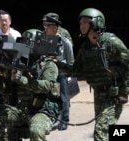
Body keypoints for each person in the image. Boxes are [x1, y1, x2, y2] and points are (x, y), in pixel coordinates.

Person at [55, 8, 129, 141]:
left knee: (101, 131)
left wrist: (124, 92)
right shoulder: (86, 48)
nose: (81, 26)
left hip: (114, 95)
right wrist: (57, 63)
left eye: (85, 22)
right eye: (80, 23)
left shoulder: (111, 42)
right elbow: (76, 70)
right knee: (103, 131)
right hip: (99, 93)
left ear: (96, 23)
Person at [0, 54, 61, 141]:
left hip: (42, 111)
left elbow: (47, 86)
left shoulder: (48, 65)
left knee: (36, 130)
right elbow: (7, 90)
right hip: (21, 112)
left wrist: (23, 80)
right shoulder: (16, 64)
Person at [41, 13, 74, 130]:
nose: (45, 27)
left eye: (48, 25)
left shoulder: (65, 41)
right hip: (47, 73)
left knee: (64, 97)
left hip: (61, 72)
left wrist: (61, 65)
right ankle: (52, 118)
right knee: (49, 96)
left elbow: (70, 62)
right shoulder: (42, 39)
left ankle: (64, 120)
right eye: (45, 25)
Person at [0, 11, 22, 105]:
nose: (3, 23)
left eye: (5, 20)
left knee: (13, 97)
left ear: (10, 22)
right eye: (1, 20)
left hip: (12, 71)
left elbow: (21, 52)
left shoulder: (16, 34)